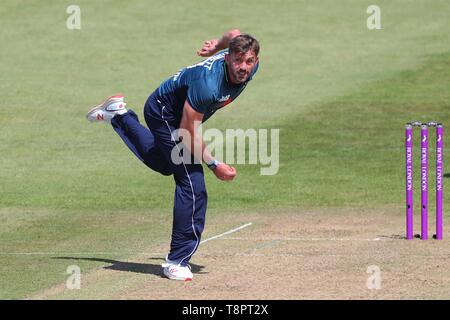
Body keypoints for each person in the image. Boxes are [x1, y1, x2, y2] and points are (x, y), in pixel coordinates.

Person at [86, 29, 260, 281]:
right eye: (237, 61)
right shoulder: (209, 86)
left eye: (249, 61)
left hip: (178, 114)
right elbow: (188, 129)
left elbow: (235, 33)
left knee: (165, 163)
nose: (243, 67)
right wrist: (214, 164)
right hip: (164, 112)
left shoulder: (248, 62)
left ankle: (119, 115)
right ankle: (176, 261)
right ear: (227, 59)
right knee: (192, 181)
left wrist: (216, 44)